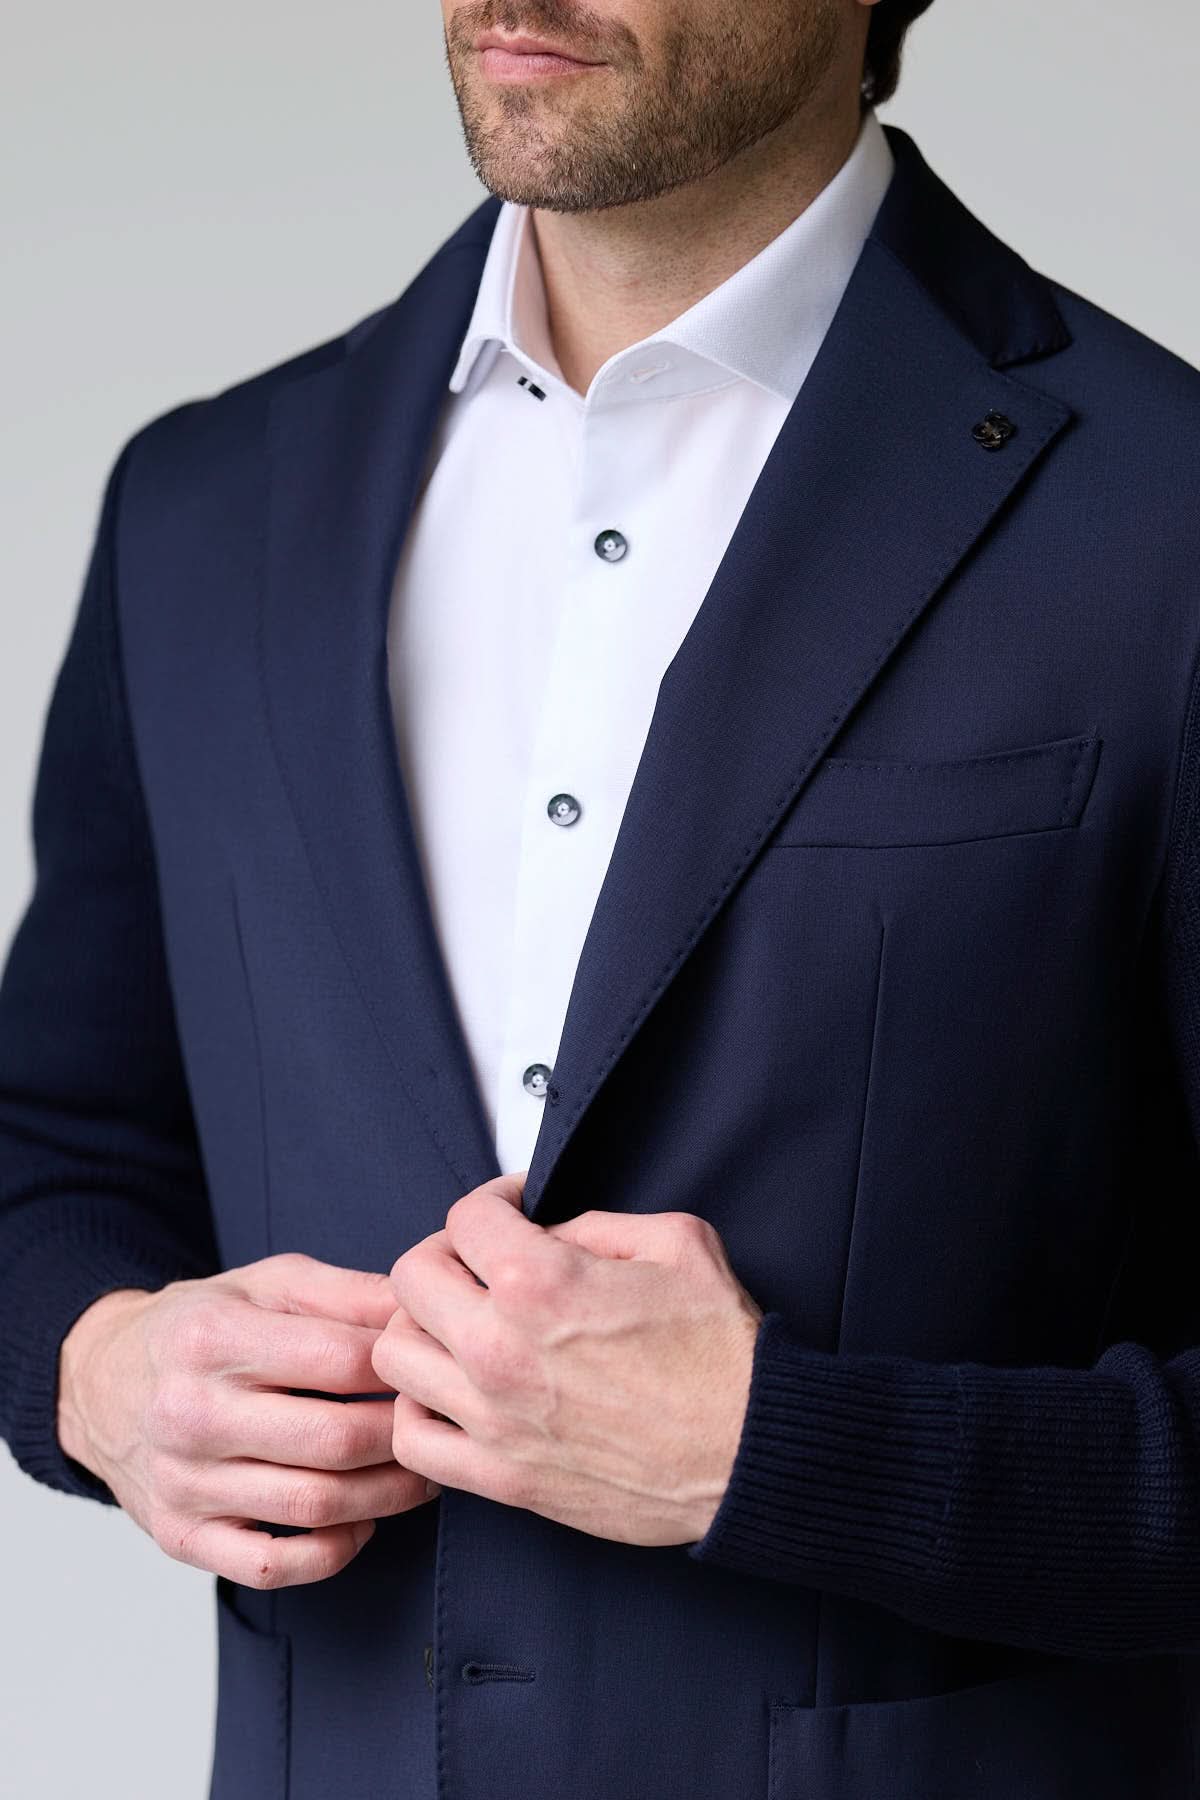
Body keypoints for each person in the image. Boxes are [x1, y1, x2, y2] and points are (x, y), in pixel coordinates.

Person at [3, 0, 1200, 1795]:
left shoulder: (1165, 520)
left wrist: (785, 1450)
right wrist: (94, 1369)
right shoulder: (203, 507)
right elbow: (50, 1144)